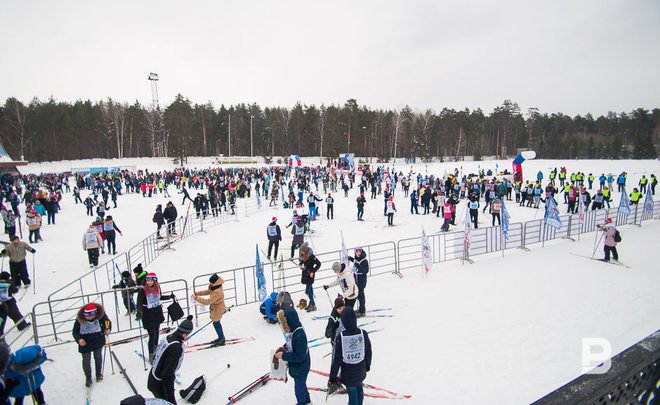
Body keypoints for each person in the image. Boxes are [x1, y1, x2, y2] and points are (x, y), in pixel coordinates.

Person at [327, 307, 372, 405]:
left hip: (348, 374)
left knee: (352, 394)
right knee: (359, 388)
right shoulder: (363, 333)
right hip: (360, 370)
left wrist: (332, 378)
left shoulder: (341, 337)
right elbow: (368, 352)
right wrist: (367, 366)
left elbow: (336, 360)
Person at [148, 316, 194, 405]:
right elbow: (167, 375)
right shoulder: (176, 347)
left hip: (153, 378)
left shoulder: (169, 337)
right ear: (185, 334)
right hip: (159, 384)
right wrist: (170, 398)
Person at [274, 308, 311, 405]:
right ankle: (307, 401)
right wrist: (284, 347)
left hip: (301, 368)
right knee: (301, 386)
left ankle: (303, 402)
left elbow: (300, 356)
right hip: (297, 367)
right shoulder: (293, 331)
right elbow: (290, 343)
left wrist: (284, 355)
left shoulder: (299, 335)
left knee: (299, 389)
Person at [136, 272, 174, 362]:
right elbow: (139, 302)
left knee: (156, 333)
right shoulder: (143, 290)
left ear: (155, 281)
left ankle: (156, 350)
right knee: (152, 335)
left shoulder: (157, 287)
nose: (149, 282)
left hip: (157, 312)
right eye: (147, 280)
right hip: (147, 314)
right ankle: (151, 354)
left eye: (151, 281)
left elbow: (159, 297)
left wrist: (169, 297)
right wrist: (139, 311)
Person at [72, 303, 111, 387]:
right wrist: (79, 339)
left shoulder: (100, 315)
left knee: (98, 357)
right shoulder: (80, 319)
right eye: (87, 316)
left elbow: (107, 322)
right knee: (86, 360)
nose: (89, 318)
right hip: (85, 343)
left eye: (91, 316)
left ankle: (98, 374)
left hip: (97, 340)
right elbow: (75, 331)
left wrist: (107, 329)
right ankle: (88, 377)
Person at [192, 273, 226, 346]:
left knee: (216, 323)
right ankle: (220, 337)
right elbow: (208, 291)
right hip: (215, 307)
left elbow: (207, 302)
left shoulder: (217, 291)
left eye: (211, 282)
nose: (210, 283)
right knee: (216, 323)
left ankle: (222, 338)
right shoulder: (215, 286)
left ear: (215, 282)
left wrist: (196, 298)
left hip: (218, 308)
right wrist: (198, 293)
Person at [298, 243, 320, 312]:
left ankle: (313, 304)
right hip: (305, 275)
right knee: (310, 290)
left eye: (302, 251)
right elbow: (302, 261)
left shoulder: (312, 256)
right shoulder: (303, 255)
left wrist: (313, 271)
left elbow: (319, 264)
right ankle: (311, 303)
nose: (301, 252)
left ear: (305, 251)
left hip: (310, 276)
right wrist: (300, 265)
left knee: (307, 292)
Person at [348, 248, 369, 317]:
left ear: (361, 252)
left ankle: (362, 310)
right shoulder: (357, 259)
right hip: (356, 279)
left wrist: (357, 265)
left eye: (359, 251)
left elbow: (365, 271)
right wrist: (349, 258)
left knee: (361, 295)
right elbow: (354, 261)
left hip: (362, 280)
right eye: (356, 251)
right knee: (358, 295)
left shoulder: (364, 261)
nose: (358, 253)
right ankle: (360, 309)